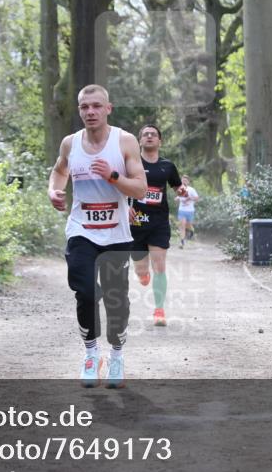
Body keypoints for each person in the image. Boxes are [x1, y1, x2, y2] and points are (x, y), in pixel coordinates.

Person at [48, 84, 147, 388]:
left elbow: (141, 189)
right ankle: (92, 355)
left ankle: (116, 355)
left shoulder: (125, 141)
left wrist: (112, 177)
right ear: (79, 110)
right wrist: (54, 190)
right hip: (81, 231)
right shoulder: (70, 143)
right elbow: (59, 171)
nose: (89, 112)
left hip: (116, 235)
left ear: (108, 109)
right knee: (87, 293)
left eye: (95, 106)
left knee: (116, 300)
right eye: (84, 107)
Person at [128, 124, 187, 327]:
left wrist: (182, 191)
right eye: (146, 134)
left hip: (159, 223)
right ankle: (142, 274)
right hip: (136, 222)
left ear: (159, 141)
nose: (150, 136)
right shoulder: (131, 164)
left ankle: (159, 310)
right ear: (140, 141)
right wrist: (125, 207)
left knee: (159, 266)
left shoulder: (167, 166)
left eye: (153, 134)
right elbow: (119, 187)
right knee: (142, 270)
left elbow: (177, 186)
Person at [177, 175, 200, 248]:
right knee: (182, 225)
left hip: (190, 211)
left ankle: (191, 231)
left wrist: (190, 198)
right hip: (182, 210)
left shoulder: (191, 189)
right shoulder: (179, 189)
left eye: (185, 180)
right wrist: (177, 198)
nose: (184, 181)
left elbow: (197, 198)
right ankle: (182, 242)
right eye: (183, 180)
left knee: (188, 225)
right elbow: (179, 197)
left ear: (188, 182)